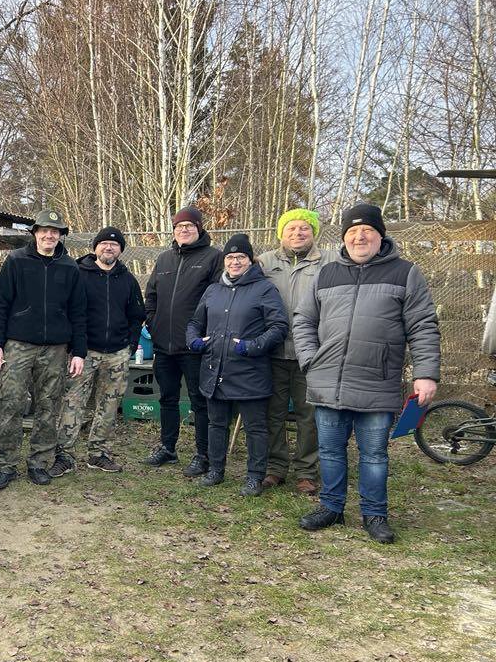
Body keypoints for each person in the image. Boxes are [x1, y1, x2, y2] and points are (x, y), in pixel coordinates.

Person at [293, 203, 440, 543]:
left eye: (367, 231)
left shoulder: (405, 273)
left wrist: (426, 374)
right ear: (344, 237)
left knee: (374, 455)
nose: (360, 237)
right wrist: (310, 360)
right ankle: (331, 507)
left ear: (380, 236)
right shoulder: (326, 273)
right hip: (328, 382)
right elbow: (303, 319)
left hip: (377, 382)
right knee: (330, 451)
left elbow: (422, 326)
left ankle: (374, 514)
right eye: (352, 231)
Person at [0, 209, 87, 489]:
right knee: (10, 404)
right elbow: (0, 304)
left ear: (60, 235)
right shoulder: (16, 261)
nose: (49, 235)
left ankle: (39, 462)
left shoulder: (70, 267)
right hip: (18, 345)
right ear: (35, 233)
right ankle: (5, 465)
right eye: (44, 230)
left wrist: (79, 351)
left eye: (54, 231)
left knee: (48, 405)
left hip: (55, 348)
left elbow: (79, 312)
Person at [187, 234, 288, 496]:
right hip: (215, 370)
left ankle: (254, 476)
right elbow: (195, 323)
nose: (235, 262)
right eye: (230, 257)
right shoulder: (213, 290)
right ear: (224, 261)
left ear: (250, 260)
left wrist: (252, 346)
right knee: (217, 423)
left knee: (255, 428)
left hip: (249, 371)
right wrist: (194, 341)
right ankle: (215, 470)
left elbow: (278, 326)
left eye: (240, 257)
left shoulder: (264, 289)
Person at [51, 226, 145, 476]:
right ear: (95, 247)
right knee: (72, 403)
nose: (109, 247)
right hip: (83, 353)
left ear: (120, 250)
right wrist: (74, 347)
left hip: (117, 353)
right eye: (104, 243)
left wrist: (130, 345)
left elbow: (137, 315)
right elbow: (67, 312)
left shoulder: (127, 279)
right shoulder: (78, 274)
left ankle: (99, 453)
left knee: (109, 405)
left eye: (114, 244)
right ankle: (64, 455)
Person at [257, 209, 338, 494]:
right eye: (291, 228)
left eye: (304, 228)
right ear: (281, 233)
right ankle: (275, 467)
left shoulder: (330, 261)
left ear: (313, 232)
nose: (297, 233)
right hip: (273, 352)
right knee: (273, 413)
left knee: (309, 415)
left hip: (312, 353)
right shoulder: (265, 262)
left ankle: (306, 471)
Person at [142, 207, 222, 476]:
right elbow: (151, 295)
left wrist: (203, 334)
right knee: (167, 398)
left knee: (200, 401)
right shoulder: (164, 259)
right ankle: (168, 448)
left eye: (189, 225)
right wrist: (153, 323)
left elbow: (217, 298)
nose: (183, 230)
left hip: (194, 346)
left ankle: (203, 454)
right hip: (164, 344)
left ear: (199, 228)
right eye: (179, 226)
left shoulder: (213, 257)